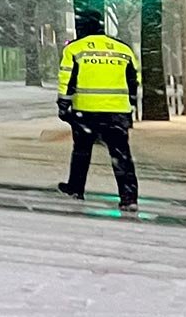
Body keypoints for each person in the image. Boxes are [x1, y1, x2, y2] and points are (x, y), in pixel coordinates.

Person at [56, 13, 141, 210]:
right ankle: (129, 197)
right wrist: (131, 104)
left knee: (81, 152)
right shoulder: (123, 49)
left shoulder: (75, 49)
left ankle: (76, 188)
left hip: (86, 110)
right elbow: (134, 80)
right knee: (121, 155)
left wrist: (63, 104)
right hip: (117, 111)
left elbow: (67, 79)